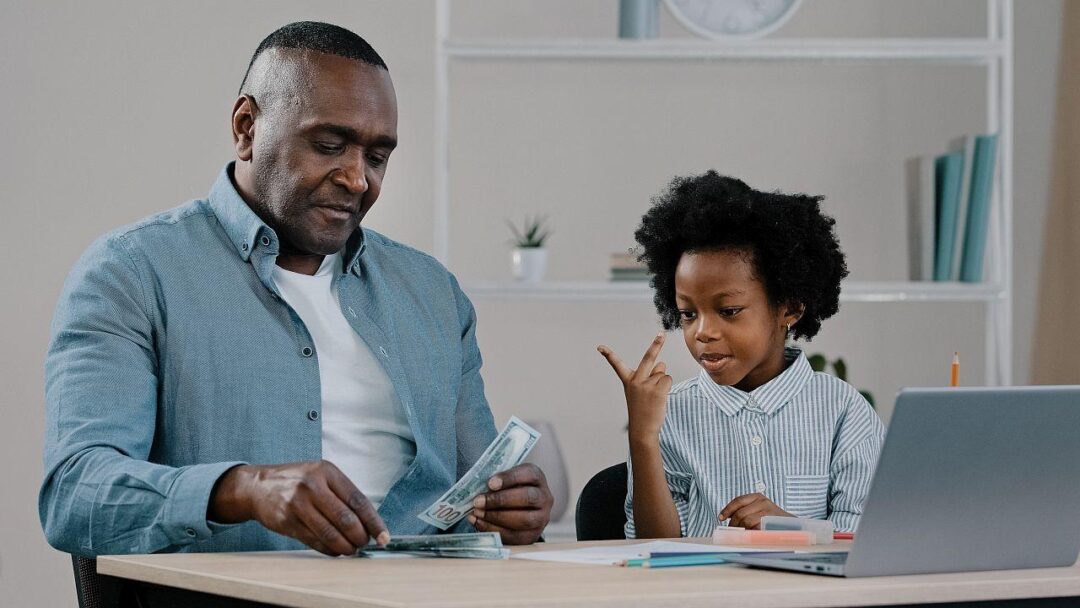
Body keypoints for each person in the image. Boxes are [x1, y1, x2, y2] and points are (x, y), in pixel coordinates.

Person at [40, 21, 552, 558]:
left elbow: (480, 493)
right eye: (330, 146)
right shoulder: (133, 273)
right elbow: (75, 494)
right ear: (246, 128)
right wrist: (243, 489)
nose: (357, 179)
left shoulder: (432, 294)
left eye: (377, 158)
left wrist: (511, 514)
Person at [597, 171, 885, 538]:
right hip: (706, 595)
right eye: (688, 314)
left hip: (808, 597)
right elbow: (653, 547)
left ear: (790, 308)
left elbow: (865, 540)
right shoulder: (670, 415)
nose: (703, 331)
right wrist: (643, 436)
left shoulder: (843, 411)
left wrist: (791, 530)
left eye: (729, 311)